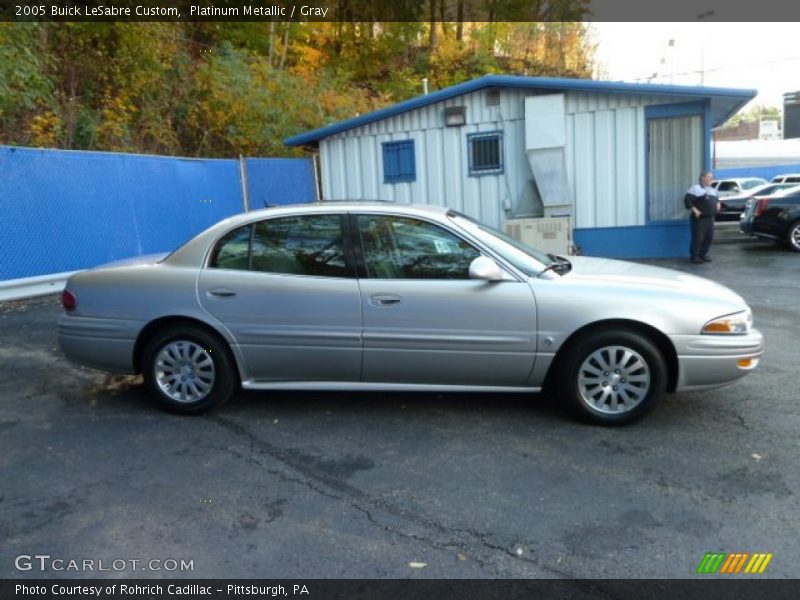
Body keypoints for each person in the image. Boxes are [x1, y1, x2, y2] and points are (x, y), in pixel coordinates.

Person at [684, 170, 720, 263]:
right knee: (698, 238)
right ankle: (695, 257)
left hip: (710, 218)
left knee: (709, 237)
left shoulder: (712, 190)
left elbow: (717, 200)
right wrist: (695, 210)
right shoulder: (695, 188)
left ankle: (702, 255)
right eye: (709, 177)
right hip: (699, 219)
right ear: (702, 178)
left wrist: (718, 204)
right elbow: (687, 201)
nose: (711, 179)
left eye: (712, 177)